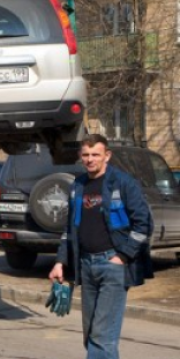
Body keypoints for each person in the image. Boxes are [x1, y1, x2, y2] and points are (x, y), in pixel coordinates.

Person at [48, 134, 153, 359]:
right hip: (86, 265)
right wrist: (60, 262)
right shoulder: (78, 185)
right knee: (91, 334)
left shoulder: (123, 183)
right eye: (85, 155)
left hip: (113, 266)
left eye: (95, 154)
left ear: (107, 155)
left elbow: (143, 223)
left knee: (102, 336)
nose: (90, 159)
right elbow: (69, 229)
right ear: (80, 156)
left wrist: (123, 256)